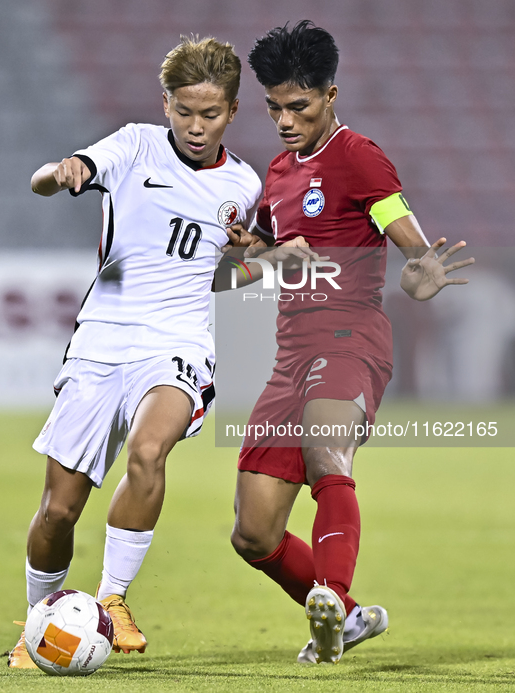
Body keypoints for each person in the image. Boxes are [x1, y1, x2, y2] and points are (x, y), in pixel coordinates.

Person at [219, 21, 474, 664]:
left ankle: (330, 598)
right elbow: (228, 274)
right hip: (289, 355)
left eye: (298, 106)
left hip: (352, 336)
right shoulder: (275, 174)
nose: (283, 119)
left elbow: (406, 239)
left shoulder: (358, 155)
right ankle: (352, 617)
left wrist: (422, 271)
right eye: (274, 106)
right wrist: (264, 255)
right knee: (252, 534)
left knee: (327, 457)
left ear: (331, 95)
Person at [8, 36, 262, 668]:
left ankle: (112, 599)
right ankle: (38, 619)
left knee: (149, 450)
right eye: (184, 111)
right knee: (58, 510)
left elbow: (231, 272)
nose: (195, 126)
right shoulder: (133, 145)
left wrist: (251, 258)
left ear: (232, 111)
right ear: (166, 104)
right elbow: (49, 178)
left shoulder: (245, 184)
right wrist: (59, 172)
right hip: (102, 339)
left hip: (178, 342)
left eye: (210, 113)